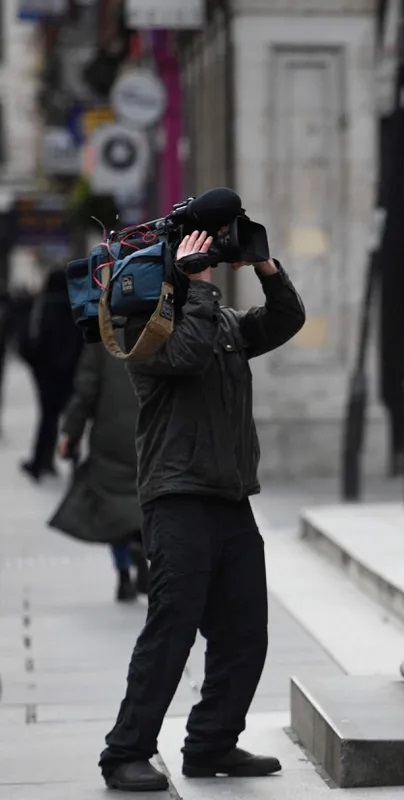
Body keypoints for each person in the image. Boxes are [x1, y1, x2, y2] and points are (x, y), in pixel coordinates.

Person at [98, 228, 306, 792]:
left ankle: (211, 742)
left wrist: (264, 265)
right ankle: (124, 753)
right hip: (177, 497)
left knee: (245, 631)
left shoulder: (224, 324)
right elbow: (186, 356)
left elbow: (285, 320)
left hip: (230, 498)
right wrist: (196, 288)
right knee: (172, 629)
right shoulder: (145, 329)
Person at [50, 340, 148, 602]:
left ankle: (124, 573)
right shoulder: (166, 323)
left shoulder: (103, 334)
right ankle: (143, 546)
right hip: (153, 430)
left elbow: (85, 390)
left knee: (112, 503)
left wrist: (71, 432)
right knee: (149, 498)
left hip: (110, 432)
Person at [18, 270, 83, 480]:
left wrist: (36, 366)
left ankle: (40, 463)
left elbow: (27, 339)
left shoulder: (42, 305)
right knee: (74, 419)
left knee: (47, 418)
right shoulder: (76, 305)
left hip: (46, 374)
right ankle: (75, 463)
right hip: (72, 372)